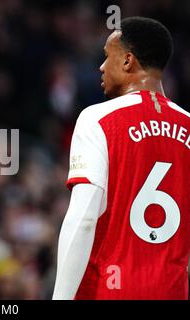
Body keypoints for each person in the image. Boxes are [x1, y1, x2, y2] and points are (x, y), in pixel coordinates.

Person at [53, 17, 190, 300]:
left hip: (107, 289)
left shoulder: (97, 119)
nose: (101, 67)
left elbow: (84, 219)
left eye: (107, 56)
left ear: (127, 61)